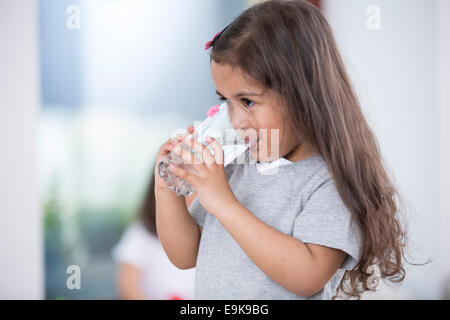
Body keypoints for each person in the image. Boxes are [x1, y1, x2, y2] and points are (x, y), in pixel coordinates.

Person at [154, 0, 411, 300]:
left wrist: (224, 203)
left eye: (247, 102)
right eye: (226, 101)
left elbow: (307, 277)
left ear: (302, 95)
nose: (235, 120)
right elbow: (186, 255)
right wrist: (166, 190)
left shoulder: (328, 181)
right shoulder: (239, 166)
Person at [111, 168, 196, 300]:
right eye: (179, 189)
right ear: (156, 195)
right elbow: (128, 285)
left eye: (193, 189)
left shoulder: (211, 233)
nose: (187, 195)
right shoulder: (142, 232)